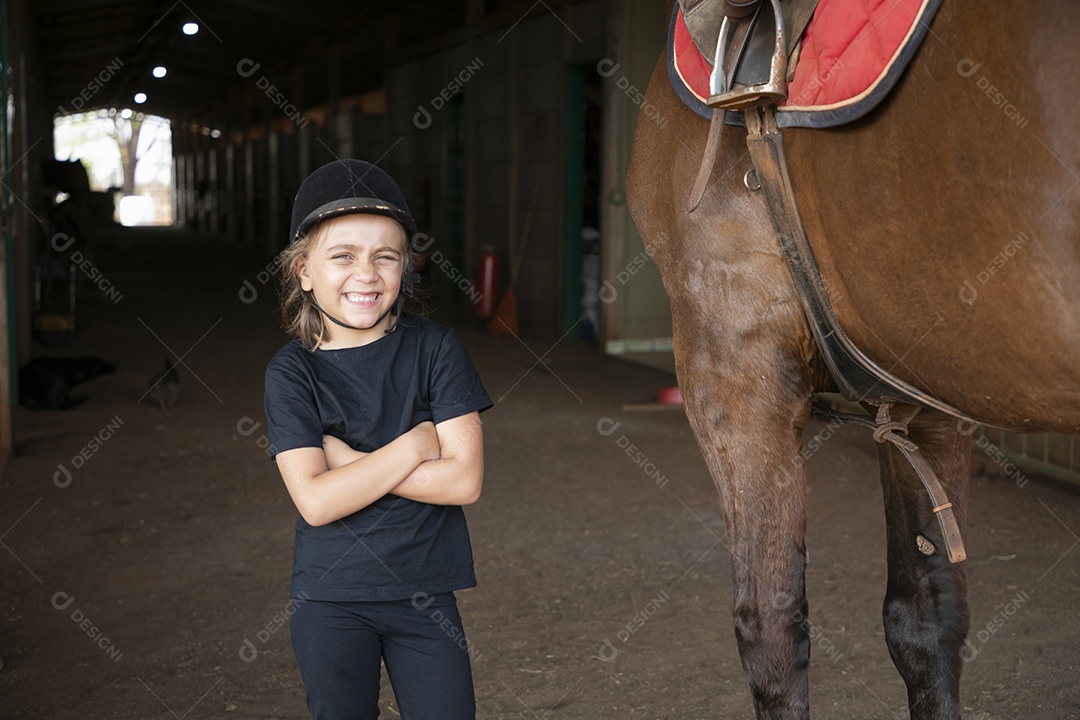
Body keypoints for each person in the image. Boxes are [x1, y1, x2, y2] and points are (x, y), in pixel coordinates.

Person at [263, 159, 492, 720]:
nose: (365, 274)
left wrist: (349, 461)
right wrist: (415, 444)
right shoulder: (292, 373)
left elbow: (464, 481)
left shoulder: (436, 350)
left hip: (426, 594)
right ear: (304, 272)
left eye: (384, 256)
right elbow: (316, 502)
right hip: (331, 597)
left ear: (404, 269)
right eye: (342, 255)